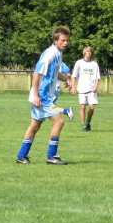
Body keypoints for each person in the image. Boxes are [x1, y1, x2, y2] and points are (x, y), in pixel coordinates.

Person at [15, 26, 71, 165]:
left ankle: (21, 156)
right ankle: (51, 157)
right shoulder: (49, 54)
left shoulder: (58, 54)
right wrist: (36, 96)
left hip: (43, 96)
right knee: (59, 121)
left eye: (67, 41)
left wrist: (67, 80)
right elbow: (36, 73)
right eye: (63, 40)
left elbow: (55, 73)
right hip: (42, 96)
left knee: (34, 126)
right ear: (55, 40)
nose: (66, 43)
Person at [71, 46, 100, 132]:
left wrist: (96, 86)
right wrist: (73, 87)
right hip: (82, 89)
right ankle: (83, 126)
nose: (89, 53)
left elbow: (97, 77)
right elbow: (74, 76)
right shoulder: (79, 63)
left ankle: (88, 122)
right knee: (83, 106)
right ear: (84, 52)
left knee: (92, 107)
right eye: (87, 51)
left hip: (91, 89)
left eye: (90, 52)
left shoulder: (94, 64)